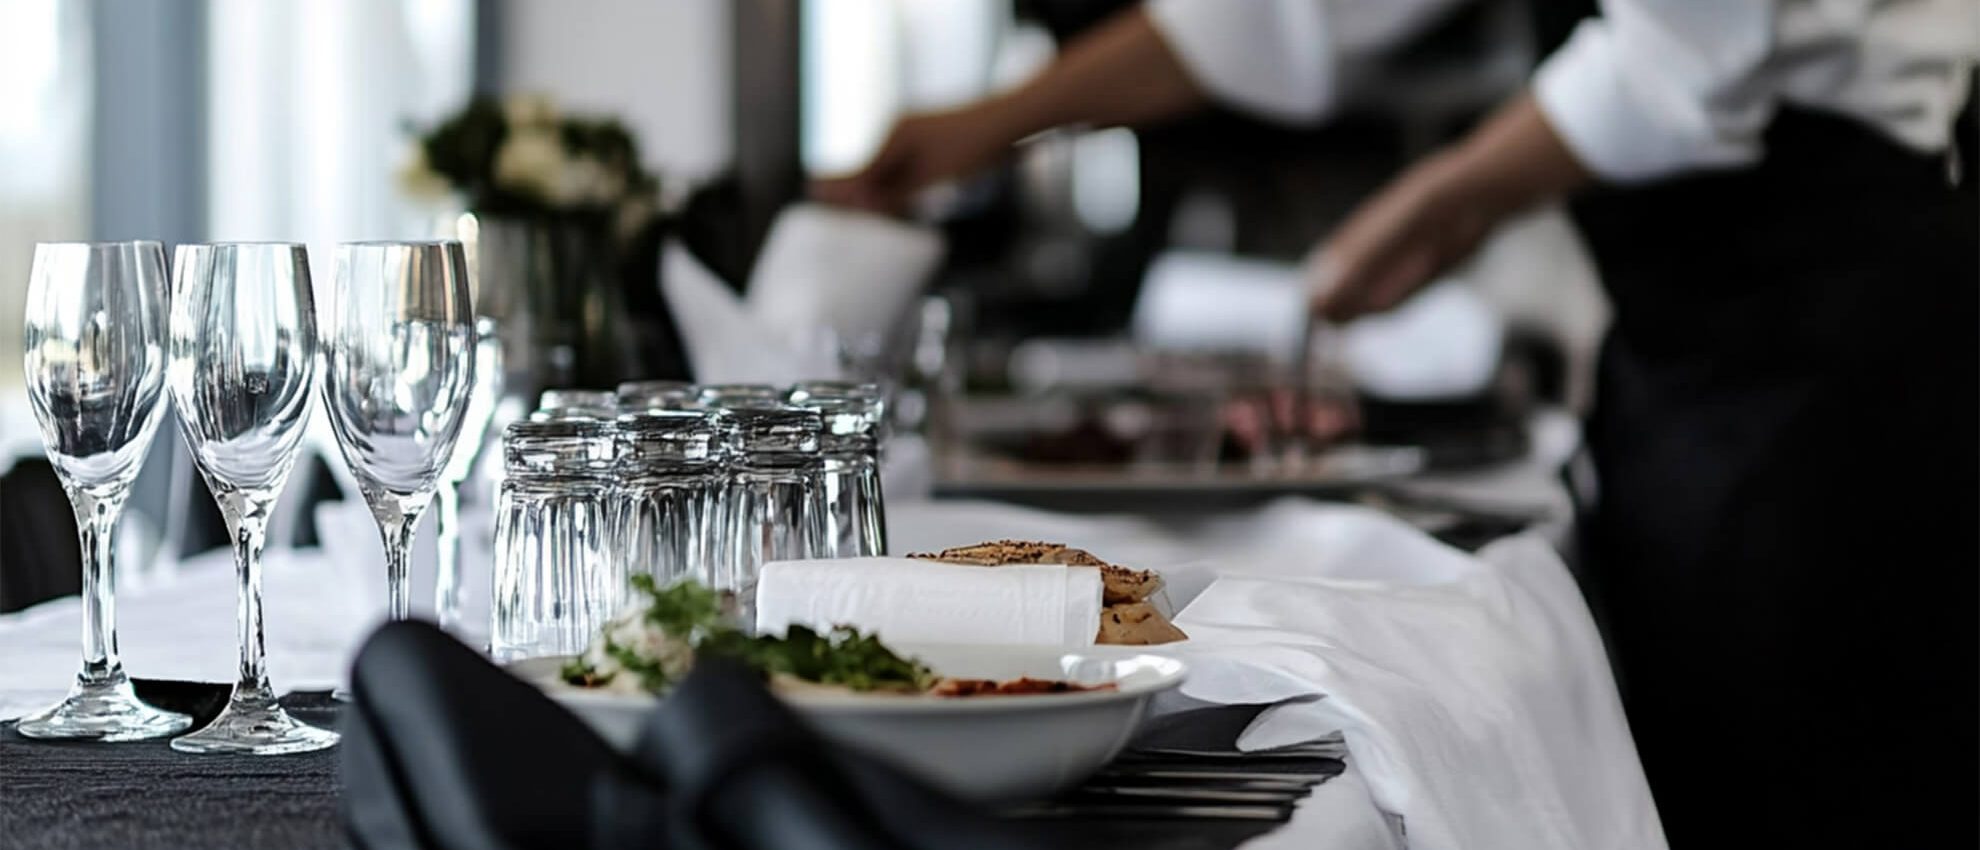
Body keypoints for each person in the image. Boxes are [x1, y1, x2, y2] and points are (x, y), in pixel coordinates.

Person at [816, 1, 1979, 845]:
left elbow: (1699, 47)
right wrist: (996, 119)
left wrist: (1454, 193)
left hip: (1850, 318)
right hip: (1692, 342)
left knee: (1814, 767)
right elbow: (1298, 15)